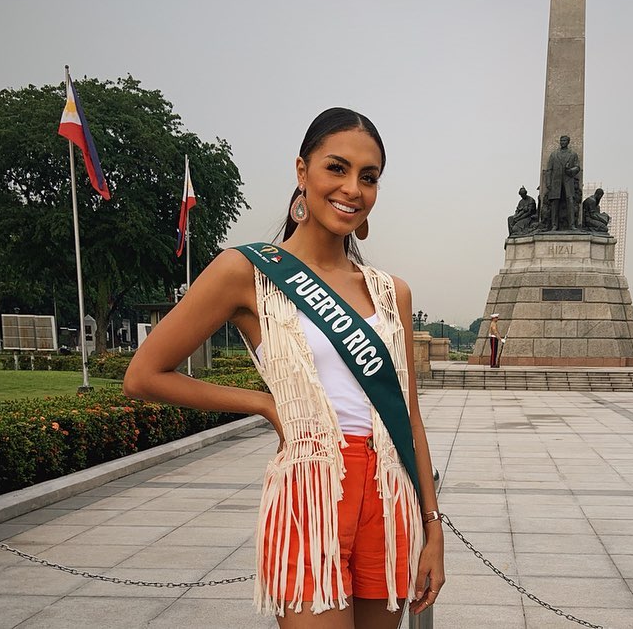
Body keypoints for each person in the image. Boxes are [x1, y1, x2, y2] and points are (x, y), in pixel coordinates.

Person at [124, 108, 445, 628]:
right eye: (336, 168)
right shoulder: (247, 271)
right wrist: (263, 404)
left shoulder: (392, 293)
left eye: (369, 177)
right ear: (303, 172)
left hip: (389, 496)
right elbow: (144, 375)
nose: (352, 188)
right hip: (309, 493)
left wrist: (433, 528)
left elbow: (408, 414)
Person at [543, 135, 581, 231]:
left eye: (564, 140)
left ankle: (572, 225)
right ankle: (554, 225)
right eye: (561, 140)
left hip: (568, 180)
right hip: (556, 181)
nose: (562, 142)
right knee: (555, 203)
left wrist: (570, 170)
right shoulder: (554, 154)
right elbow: (549, 170)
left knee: (571, 201)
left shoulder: (573, 154)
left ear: (568, 142)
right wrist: (548, 183)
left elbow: (577, 167)